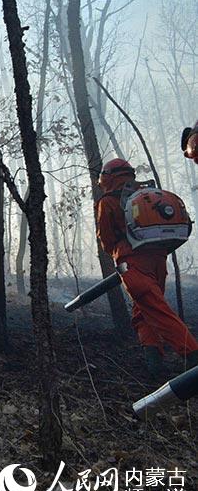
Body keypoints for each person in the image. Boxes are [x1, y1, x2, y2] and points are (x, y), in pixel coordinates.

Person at [96, 158, 198, 378]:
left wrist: (119, 251)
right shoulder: (146, 194)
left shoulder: (108, 201)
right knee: (144, 311)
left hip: (131, 265)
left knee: (158, 312)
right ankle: (154, 365)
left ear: (108, 177)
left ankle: (193, 355)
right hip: (158, 260)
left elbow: (106, 239)